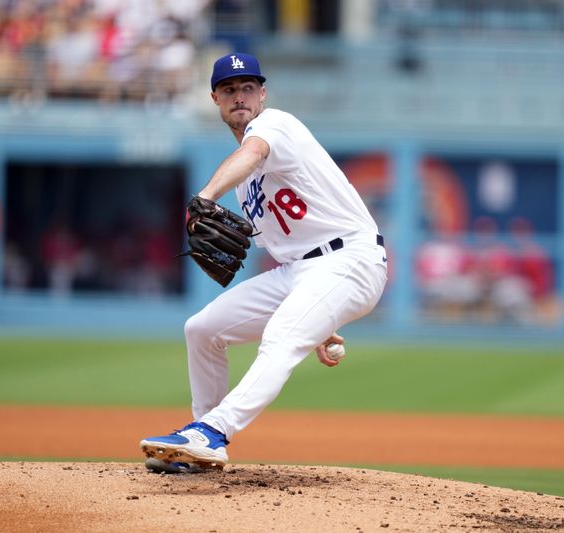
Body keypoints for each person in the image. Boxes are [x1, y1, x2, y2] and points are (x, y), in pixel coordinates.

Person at [140, 52, 388, 473]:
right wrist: (323, 324)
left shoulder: (275, 125)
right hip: (305, 273)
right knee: (202, 329)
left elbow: (254, 150)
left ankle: (213, 432)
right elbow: (294, 257)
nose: (241, 96)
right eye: (230, 90)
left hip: (353, 257)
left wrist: (205, 196)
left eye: (249, 88)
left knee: (280, 336)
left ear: (263, 94)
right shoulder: (246, 189)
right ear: (215, 99)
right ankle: (198, 447)